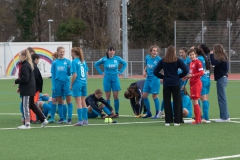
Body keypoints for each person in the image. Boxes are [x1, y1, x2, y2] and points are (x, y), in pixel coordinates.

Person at [154, 45, 188, 126]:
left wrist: (163, 77)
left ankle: (168, 121)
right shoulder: (177, 60)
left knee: (166, 101)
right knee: (177, 101)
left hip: (167, 83)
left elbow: (155, 72)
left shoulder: (163, 60)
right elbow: (185, 70)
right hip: (175, 82)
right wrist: (178, 76)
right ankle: (177, 120)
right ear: (174, 52)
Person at [14, 50, 48, 129]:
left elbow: (25, 78)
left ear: (24, 57)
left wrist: (17, 81)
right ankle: (43, 119)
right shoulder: (28, 64)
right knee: (32, 105)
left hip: (27, 90)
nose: (19, 57)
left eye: (20, 56)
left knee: (25, 106)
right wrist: (20, 87)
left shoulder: (25, 65)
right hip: (31, 89)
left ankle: (27, 124)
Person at [94, 47, 127, 116]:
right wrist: (101, 72)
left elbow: (125, 63)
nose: (112, 52)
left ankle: (116, 112)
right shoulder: (104, 59)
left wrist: (120, 72)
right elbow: (96, 64)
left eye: (113, 51)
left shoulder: (117, 58)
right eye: (110, 51)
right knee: (108, 97)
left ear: (114, 52)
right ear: (108, 51)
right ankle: (109, 112)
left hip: (115, 79)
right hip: (107, 79)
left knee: (116, 97)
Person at [49, 47, 73, 124]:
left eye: (63, 51)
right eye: (61, 52)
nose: (62, 53)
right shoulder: (54, 63)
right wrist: (53, 85)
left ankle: (69, 119)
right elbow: (53, 75)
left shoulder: (68, 61)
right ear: (58, 52)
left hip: (66, 83)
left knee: (68, 101)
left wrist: (69, 70)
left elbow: (69, 74)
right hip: (58, 83)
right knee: (59, 101)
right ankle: (61, 118)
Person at [183, 48, 204, 125]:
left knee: (195, 102)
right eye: (190, 55)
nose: (191, 56)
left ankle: (198, 120)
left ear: (195, 54)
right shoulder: (191, 63)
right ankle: (198, 119)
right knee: (194, 102)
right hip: (192, 83)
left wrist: (192, 75)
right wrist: (186, 77)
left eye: (192, 54)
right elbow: (191, 74)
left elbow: (202, 72)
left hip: (196, 83)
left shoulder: (198, 62)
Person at [210, 44, 230, 122]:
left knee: (222, 98)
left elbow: (213, 62)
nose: (213, 51)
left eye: (214, 49)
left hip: (221, 79)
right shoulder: (223, 57)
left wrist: (211, 55)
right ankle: (225, 116)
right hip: (223, 78)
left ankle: (224, 117)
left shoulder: (221, 57)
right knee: (222, 98)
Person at [142, 45, 162, 119]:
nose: (155, 52)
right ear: (150, 51)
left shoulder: (159, 59)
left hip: (155, 79)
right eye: (154, 50)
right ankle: (148, 112)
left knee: (154, 96)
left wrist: (162, 76)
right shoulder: (147, 57)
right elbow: (146, 66)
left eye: (156, 51)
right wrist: (144, 71)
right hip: (148, 79)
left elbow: (163, 68)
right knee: (144, 96)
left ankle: (157, 113)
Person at [71, 47, 89, 126]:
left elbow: (74, 74)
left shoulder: (74, 62)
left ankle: (80, 121)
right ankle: (85, 120)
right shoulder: (83, 61)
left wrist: (71, 84)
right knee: (83, 101)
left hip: (77, 83)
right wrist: (85, 81)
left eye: (71, 52)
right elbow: (87, 73)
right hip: (84, 82)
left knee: (78, 102)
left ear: (74, 53)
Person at [195, 48, 211, 123]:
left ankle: (205, 117)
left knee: (203, 98)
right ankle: (205, 116)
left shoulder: (199, 59)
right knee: (206, 98)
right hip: (207, 79)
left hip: (202, 80)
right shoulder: (204, 57)